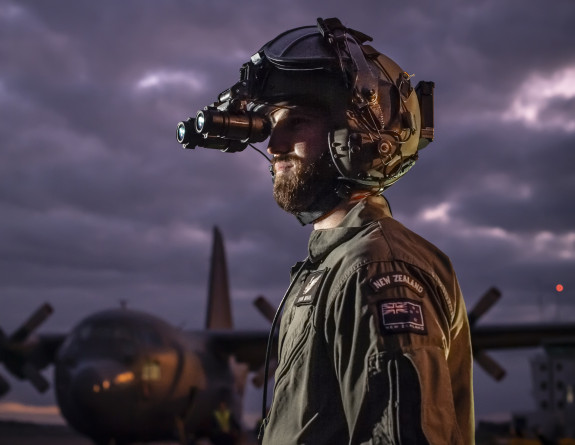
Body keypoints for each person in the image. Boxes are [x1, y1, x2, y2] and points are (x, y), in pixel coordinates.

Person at [181, 16, 474, 445]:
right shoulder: (334, 264)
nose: (274, 145)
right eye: (270, 126)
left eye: (296, 122)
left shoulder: (376, 269)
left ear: (355, 137)